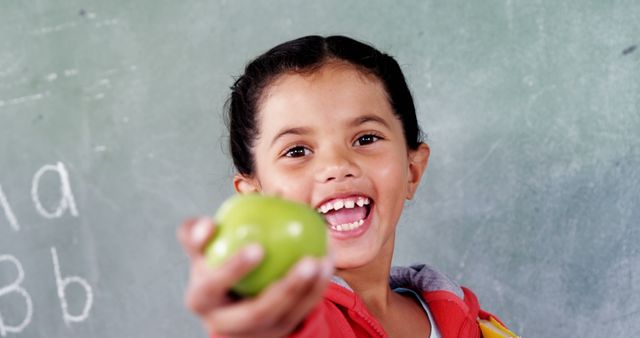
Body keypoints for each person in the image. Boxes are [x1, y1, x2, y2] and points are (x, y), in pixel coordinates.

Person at [177, 35, 517, 338]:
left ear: (412, 170)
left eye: (366, 138)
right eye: (297, 151)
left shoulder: (472, 322)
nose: (337, 166)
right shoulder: (286, 322)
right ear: (256, 198)